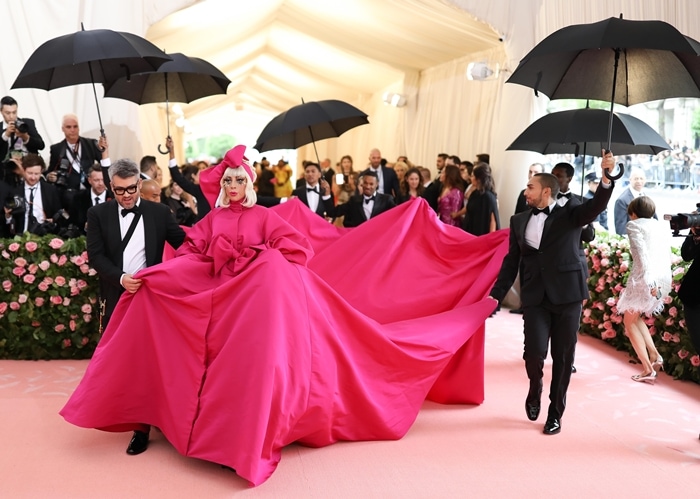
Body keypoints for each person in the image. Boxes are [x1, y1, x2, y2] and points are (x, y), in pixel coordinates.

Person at [60, 144, 496, 486]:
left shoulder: (264, 216)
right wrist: (156, 277)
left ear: (247, 183)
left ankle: (240, 444)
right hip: (219, 310)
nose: (231, 186)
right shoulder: (211, 220)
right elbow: (192, 251)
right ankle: (164, 423)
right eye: (227, 180)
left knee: (253, 367)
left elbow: (296, 251)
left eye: (237, 180)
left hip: (255, 313)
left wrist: (253, 257)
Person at [488, 150, 615, 436]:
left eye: (530, 186)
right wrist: (496, 294)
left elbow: (597, 206)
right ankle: (535, 388)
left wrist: (606, 177)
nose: (525, 190)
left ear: (546, 190)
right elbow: (511, 261)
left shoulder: (572, 213)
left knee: (563, 358)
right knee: (533, 354)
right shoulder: (519, 220)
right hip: (534, 297)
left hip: (568, 296)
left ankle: (555, 413)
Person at [86, 157, 185, 335]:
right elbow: (96, 256)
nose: (126, 195)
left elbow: (184, 245)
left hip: (149, 294)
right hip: (114, 291)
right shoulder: (97, 214)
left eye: (131, 188)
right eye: (119, 190)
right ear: (111, 186)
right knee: (114, 350)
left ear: (139, 183)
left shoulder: (160, 212)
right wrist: (121, 278)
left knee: (147, 345)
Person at [615, 196, 671, 384]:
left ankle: (647, 369)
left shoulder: (634, 225)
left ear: (633, 212)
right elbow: (665, 255)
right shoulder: (659, 226)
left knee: (629, 322)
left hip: (643, 280)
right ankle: (654, 356)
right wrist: (659, 283)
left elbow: (641, 256)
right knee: (635, 318)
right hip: (661, 279)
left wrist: (649, 282)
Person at [47, 114, 107, 208]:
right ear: (63, 129)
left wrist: (104, 149)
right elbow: (51, 170)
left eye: (75, 126)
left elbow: (104, 163)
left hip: (89, 193)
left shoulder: (90, 144)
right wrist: (49, 176)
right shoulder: (57, 149)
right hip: (68, 195)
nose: (72, 130)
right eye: (69, 127)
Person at [2, 154, 61, 237]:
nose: (33, 177)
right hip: (21, 237)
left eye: (36, 174)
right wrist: (8, 216)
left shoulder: (50, 191)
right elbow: (9, 224)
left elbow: (58, 215)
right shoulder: (14, 191)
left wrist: (53, 220)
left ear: (42, 171)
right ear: (23, 171)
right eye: (30, 173)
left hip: (44, 237)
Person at [0, 96, 45, 187]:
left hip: (28, 168)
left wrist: (25, 137)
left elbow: (41, 145)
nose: (11, 116)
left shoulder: (27, 124)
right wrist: (6, 135)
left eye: (14, 112)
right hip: (6, 171)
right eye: (8, 113)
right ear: (1, 112)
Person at [165, 137, 210, 220]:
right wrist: (171, 152)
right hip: (203, 229)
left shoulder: (225, 191)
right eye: (200, 173)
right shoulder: (200, 190)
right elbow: (178, 178)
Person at [68, 163, 112, 234]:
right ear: (89, 180)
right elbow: (73, 223)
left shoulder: (113, 198)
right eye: (96, 180)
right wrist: (85, 228)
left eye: (103, 180)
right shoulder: (79, 198)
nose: (100, 183)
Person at [460, 163, 500, 235]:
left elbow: (493, 221)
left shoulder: (489, 197)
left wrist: (490, 239)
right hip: (470, 232)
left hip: (481, 233)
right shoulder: (474, 194)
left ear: (478, 179)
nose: (470, 178)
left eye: (472, 176)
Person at [614, 168, 655, 235]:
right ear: (630, 180)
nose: (639, 181)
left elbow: (654, 218)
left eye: (641, 178)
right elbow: (620, 228)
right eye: (636, 179)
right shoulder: (622, 200)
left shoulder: (645, 195)